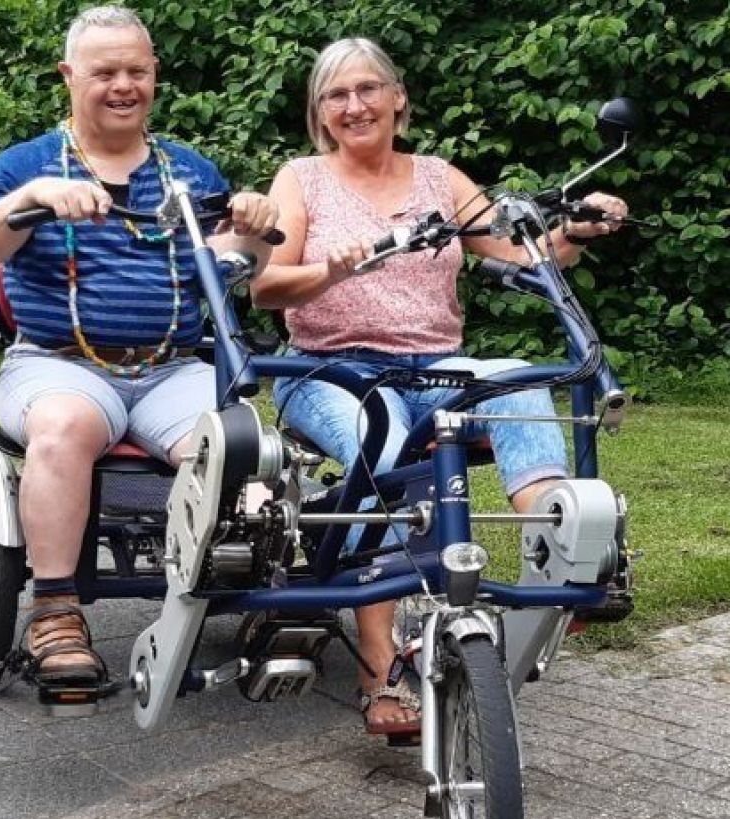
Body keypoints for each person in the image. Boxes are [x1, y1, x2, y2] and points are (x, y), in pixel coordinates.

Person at [250, 37, 627, 741]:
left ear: (399, 99)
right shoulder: (301, 180)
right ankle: (378, 669)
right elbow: (267, 284)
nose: (355, 105)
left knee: (518, 381)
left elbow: (521, 250)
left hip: (437, 365)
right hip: (329, 369)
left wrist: (576, 227)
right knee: (386, 441)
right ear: (321, 112)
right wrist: (329, 271)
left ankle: (557, 562)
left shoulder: (438, 177)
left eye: (368, 89)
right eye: (337, 95)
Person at [0, 5, 279, 701]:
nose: (123, 85)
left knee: (243, 443)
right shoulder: (26, 164)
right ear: (70, 77)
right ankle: (56, 612)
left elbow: (230, 270)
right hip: (56, 364)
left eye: (137, 70)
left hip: (168, 369)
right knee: (65, 426)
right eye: (105, 72)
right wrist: (36, 198)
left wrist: (253, 229)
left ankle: (255, 595)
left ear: (155, 74)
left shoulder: (189, 171)